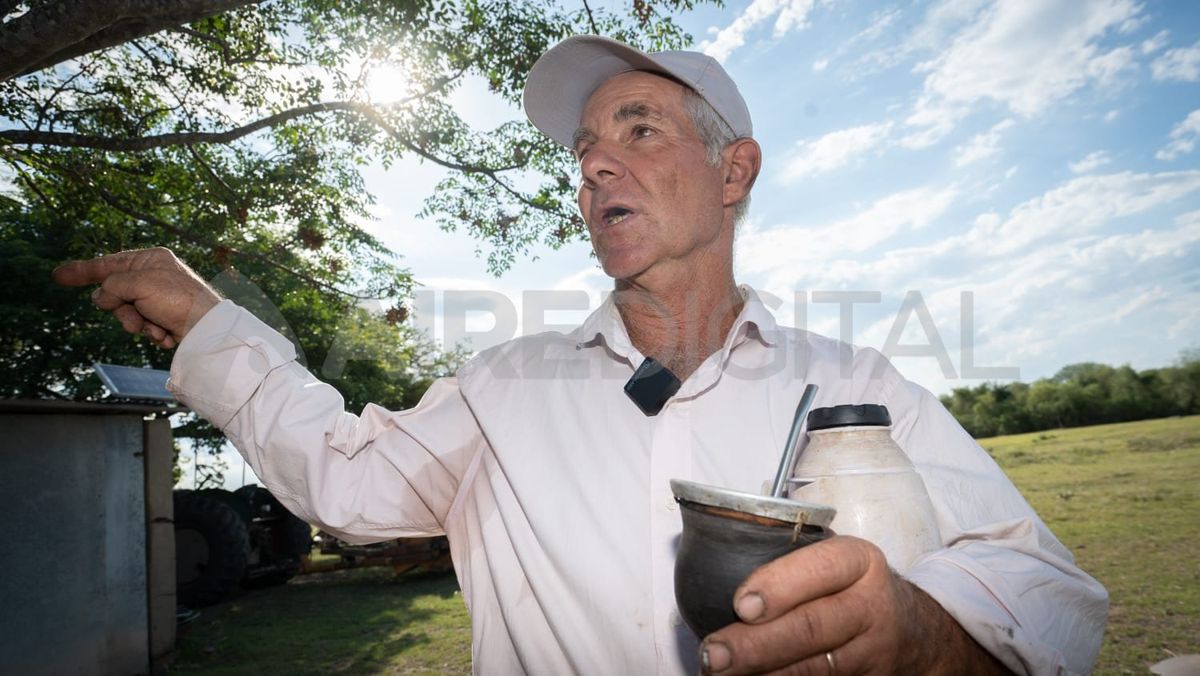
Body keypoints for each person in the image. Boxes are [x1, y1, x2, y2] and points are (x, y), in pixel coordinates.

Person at [53, 36, 1107, 675]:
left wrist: (919, 636)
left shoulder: (859, 386)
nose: (596, 160)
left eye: (639, 129)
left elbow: (1049, 591)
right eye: (585, 149)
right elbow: (342, 475)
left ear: (733, 170)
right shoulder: (505, 388)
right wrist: (206, 320)